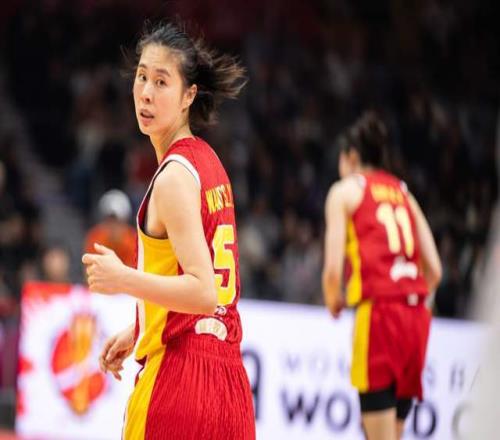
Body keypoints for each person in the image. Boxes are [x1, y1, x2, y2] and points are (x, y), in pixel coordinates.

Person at [82, 21, 255, 440]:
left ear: (188, 96)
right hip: (230, 389)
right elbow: (207, 297)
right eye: (142, 76)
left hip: (177, 384)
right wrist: (141, 327)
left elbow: (202, 290)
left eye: (161, 82)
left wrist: (123, 278)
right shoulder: (208, 162)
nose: (145, 92)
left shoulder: (174, 176)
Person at [322, 112, 442, 440]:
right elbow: (434, 269)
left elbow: (332, 271)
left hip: (380, 315)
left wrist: (333, 299)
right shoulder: (403, 191)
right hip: (416, 318)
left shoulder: (345, 191)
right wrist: (408, 295)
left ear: (351, 157)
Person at [84, 189, 136, 268]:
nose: (112, 226)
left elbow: (133, 271)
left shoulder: (133, 240)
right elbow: (89, 270)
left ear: (125, 222)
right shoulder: (95, 237)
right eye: (109, 221)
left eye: (116, 221)